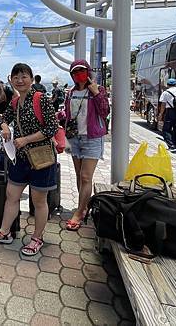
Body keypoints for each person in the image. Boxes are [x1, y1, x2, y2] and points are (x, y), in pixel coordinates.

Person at [0, 63, 58, 256]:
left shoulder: (41, 99)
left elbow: (51, 129)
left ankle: (37, 238)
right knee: (11, 195)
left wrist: (25, 139)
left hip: (41, 159)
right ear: (11, 80)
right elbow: (2, 118)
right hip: (21, 158)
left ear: (31, 79)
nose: (20, 80)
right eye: (16, 77)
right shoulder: (15, 102)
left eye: (24, 76)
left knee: (39, 201)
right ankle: (4, 232)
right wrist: (5, 126)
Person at [62, 59, 109, 231]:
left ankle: (79, 212)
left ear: (88, 71)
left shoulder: (98, 89)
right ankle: (83, 207)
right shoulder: (71, 92)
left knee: (86, 177)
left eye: (81, 71)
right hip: (74, 138)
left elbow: (105, 112)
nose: (78, 74)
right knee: (78, 175)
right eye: (75, 72)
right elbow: (68, 114)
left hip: (92, 138)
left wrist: (96, 93)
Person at [158, 78, 176, 152]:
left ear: (167, 85)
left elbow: (163, 104)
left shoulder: (165, 92)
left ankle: (171, 145)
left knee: (166, 129)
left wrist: (161, 114)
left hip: (170, 112)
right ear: (175, 84)